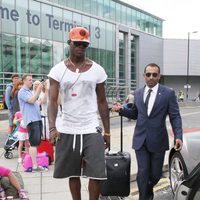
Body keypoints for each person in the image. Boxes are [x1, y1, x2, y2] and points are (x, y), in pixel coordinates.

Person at [47, 26, 110, 200]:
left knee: (97, 173)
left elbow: (102, 102)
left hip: (91, 126)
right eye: (77, 43)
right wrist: (52, 128)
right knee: (72, 172)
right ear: (69, 43)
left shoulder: (97, 70)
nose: (80, 47)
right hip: (67, 127)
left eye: (84, 44)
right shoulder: (57, 70)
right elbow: (52, 101)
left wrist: (107, 131)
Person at [112, 63, 183, 200]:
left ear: (159, 76)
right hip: (140, 140)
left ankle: (147, 192)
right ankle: (145, 197)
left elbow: (175, 116)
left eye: (154, 74)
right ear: (144, 76)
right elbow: (135, 114)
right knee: (143, 173)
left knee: (155, 175)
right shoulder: (138, 93)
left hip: (158, 140)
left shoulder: (168, 93)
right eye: (148, 74)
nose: (151, 77)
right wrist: (121, 110)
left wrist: (178, 136)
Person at [18, 74, 45, 172]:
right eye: (29, 80)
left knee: (36, 143)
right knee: (33, 144)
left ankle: (35, 165)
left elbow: (36, 103)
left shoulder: (29, 92)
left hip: (36, 119)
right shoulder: (22, 92)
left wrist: (43, 95)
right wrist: (39, 89)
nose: (31, 81)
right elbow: (31, 100)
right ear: (24, 81)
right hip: (31, 120)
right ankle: (34, 166)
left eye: (31, 79)